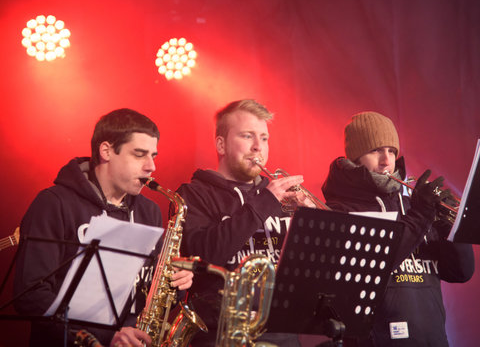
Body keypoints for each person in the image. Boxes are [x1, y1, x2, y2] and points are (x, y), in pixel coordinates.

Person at [13, 108, 193, 347]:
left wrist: (175, 284)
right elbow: (31, 296)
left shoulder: (148, 210)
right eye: (139, 155)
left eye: (153, 155)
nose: (152, 167)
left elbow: (149, 291)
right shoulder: (54, 203)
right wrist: (105, 337)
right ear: (106, 151)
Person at [321, 111, 475, 347]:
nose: (387, 160)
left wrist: (450, 228)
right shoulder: (339, 209)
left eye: (392, 151)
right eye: (376, 150)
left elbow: (460, 272)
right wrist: (421, 215)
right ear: (355, 157)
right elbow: (374, 266)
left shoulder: (412, 204)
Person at [176, 99, 310, 347]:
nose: (258, 147)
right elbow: (203, 255)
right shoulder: (195, 193)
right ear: (221, 144)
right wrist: (263, 203)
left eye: (264, 138)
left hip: (282, 332)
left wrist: (311, 226)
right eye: (247, 136)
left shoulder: (282, 197)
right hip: (219, 332)